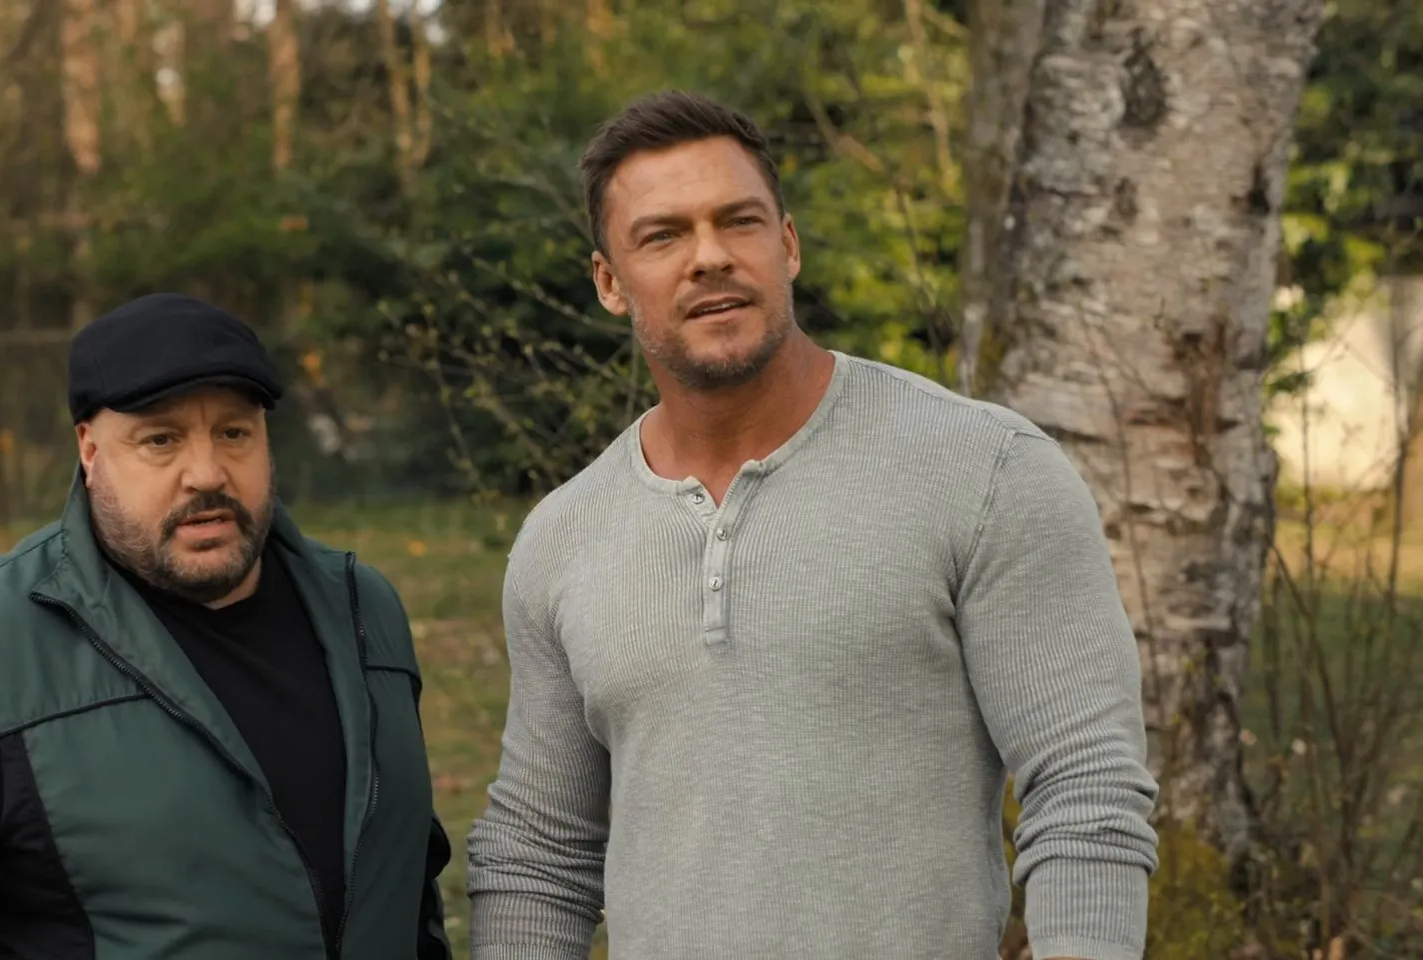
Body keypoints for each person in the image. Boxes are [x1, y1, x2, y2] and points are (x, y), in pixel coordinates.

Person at [466, 90, 1160, 960]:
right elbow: (537, 858)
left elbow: (1086, 787)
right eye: (663, 236)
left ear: (787, 245)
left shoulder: (983, 470)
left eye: (739, 221)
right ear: (609, 282)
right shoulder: (563, 538)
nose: (710, 257)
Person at [0, 293, 452, 959]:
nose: (207, 474)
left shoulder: (362, 611)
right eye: (160, 440)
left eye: (234, 433)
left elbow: (404, 885)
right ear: (89, 450)